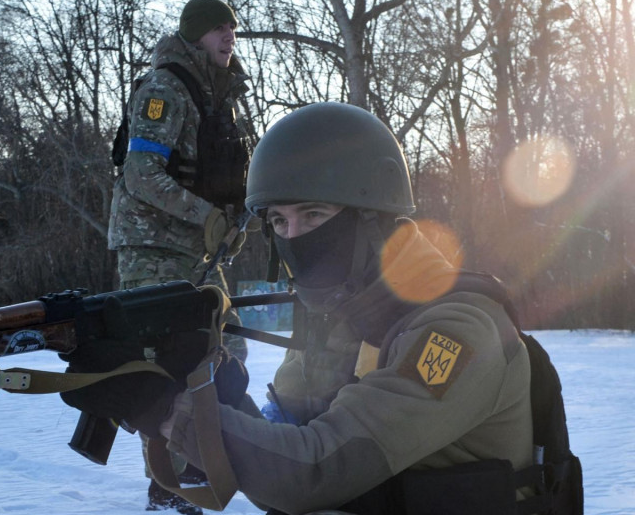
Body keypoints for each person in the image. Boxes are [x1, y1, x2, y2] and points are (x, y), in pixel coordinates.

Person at [65, 103, 554, 513]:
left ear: (375, 219)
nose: (295, 237)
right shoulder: (339, 323)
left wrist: (166, 411)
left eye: (315, 214)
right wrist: (224, 399)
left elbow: (315, 471)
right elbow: (286, 449)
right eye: (279, 220)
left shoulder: (458, 329)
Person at [107, 0, 253, 513]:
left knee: (221, 357)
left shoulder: (224, 97)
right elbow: (140, 174)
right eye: (218, 29)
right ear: (195, 35)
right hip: (154, 249)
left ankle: (195, 469)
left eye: (232, 28)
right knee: (168, 368)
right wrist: (206, 218)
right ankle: (167, 487)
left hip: (199, 252)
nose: (228, 36)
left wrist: (233, 220)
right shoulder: (166, 88)